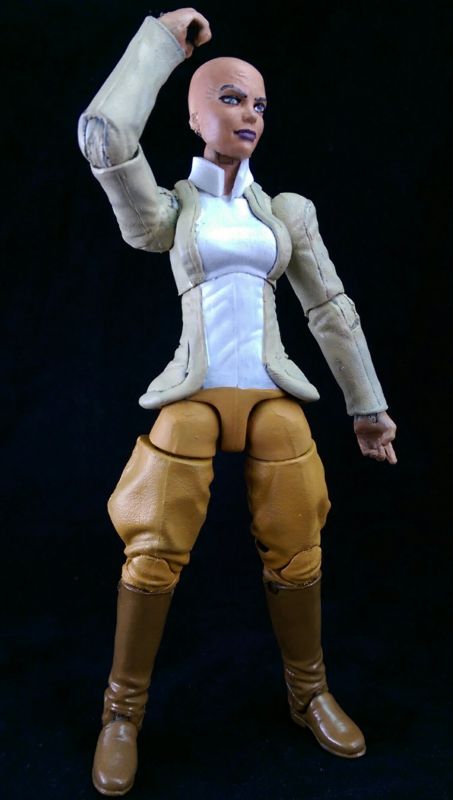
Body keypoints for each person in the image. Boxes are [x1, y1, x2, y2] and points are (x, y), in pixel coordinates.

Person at [78, 8, 397, 796]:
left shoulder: (284, 213)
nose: (248, 114)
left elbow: (329, 309)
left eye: (257, 104)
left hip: (267, 390)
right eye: (228, 98)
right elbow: (105, 140)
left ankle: (308, 691)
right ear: (193, 116)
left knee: (297, 535)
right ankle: (121, 711)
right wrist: (160, 43)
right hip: (194, 390)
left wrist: (366, 407)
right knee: (154, 540)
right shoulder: (171, 211)